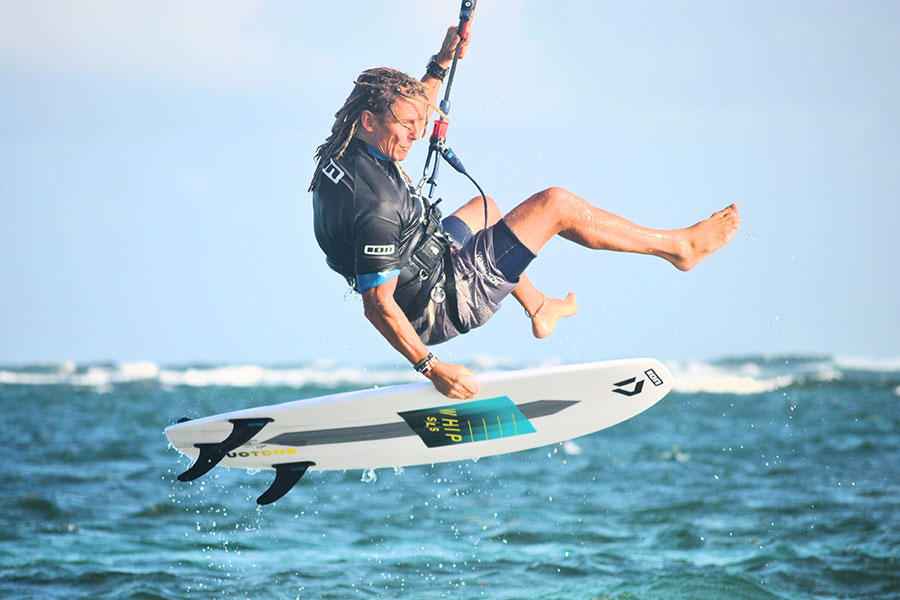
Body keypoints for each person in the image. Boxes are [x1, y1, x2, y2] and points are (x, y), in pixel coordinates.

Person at [310, 26, 740, 400]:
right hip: (438, 302)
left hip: (427, 257)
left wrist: (442, 61)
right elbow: (377, 305)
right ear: (369, 120)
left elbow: (413, 105)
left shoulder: (346, 148)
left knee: (487, 209)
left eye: (416, 123)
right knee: (556, 205)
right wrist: (432, 368)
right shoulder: (377, 205)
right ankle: (680, 247)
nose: (415, 134)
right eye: (404, 126)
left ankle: (539, 308)